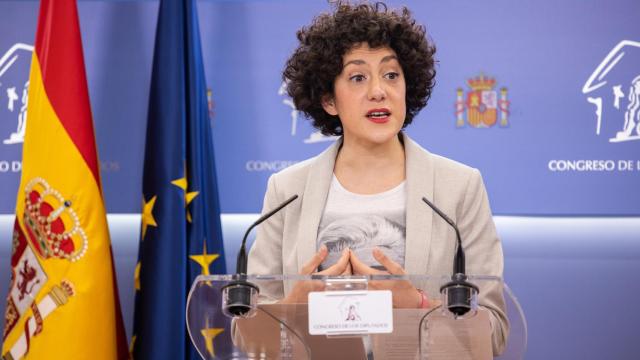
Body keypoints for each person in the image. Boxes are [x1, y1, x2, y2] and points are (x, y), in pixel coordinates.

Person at [247, 1, 508, 354]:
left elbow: (492, 334)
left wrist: (415, 305)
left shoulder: (458, 188)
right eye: (358, 77)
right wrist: (293, 306)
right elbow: (245, 337)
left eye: (391, 75)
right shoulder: (287, 190)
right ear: (328, 99)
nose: (378, 91)